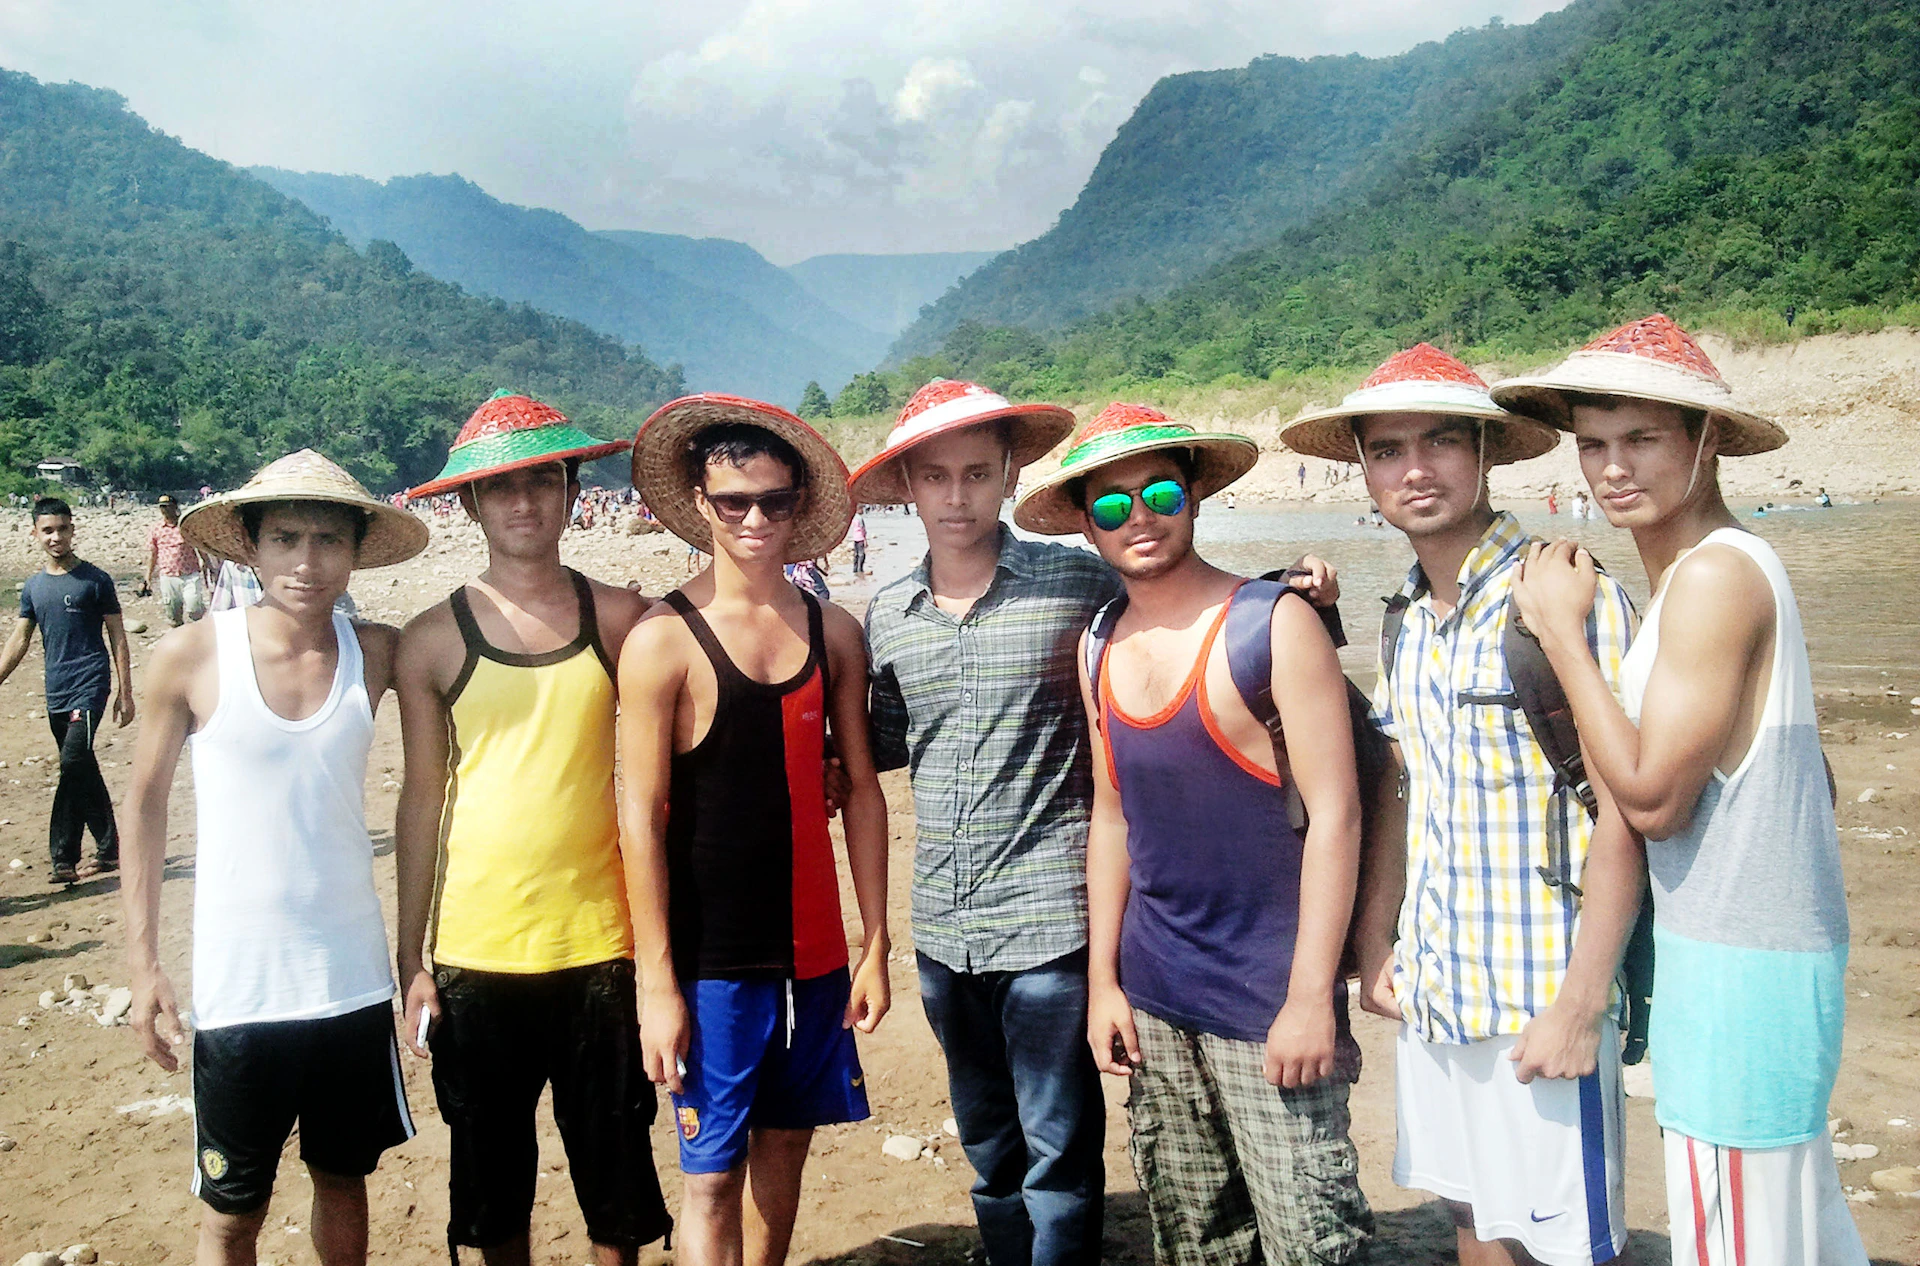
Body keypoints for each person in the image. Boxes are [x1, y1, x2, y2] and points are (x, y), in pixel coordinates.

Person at [1499, 315, 1868, 1266]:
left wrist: (1564, 634)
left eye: (1643, 440)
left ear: (1707, 442)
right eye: (1593, 445)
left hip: (1744, 976)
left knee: (1744, 1240)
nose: (1612, 469)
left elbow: (1654, 802)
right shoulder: (1711, 580)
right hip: (1754, 963)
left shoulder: (1712, 581)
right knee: (1787, 1235)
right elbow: (1807, 783)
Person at [1282, 344, 1643, 1266]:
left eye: (1441, 441)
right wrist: (1377, 946)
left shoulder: (1563, 595)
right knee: (1472, 1224)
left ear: (1486, 455)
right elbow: (1403, 794)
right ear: (1363, 469)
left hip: (1540, 993)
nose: (1416, 468)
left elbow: (1629, 809)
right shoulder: (1405, 616)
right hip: (1441, 987)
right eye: (1388, 448)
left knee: (1564, 1246)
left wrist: (1583, 1000)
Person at [1014, 403, 1372, 1266]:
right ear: (1090, 529)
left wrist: (1308, 999)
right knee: (1198, 1238)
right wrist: (1104, 983)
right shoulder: (1098, 641)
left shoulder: (1271, 624)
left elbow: (1338, 817)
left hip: (1269, 1003)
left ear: (1196, 495)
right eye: (1111, 506)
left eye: (1160, 491)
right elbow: (1111, 816)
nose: (1138, 517)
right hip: (1157, 998)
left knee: (1312, 1238)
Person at [119, 450, 429, 1266]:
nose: (306, 561)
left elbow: (475, 662)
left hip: (351, 982)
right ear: (248, 547)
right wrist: (143, 965)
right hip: (239, 989)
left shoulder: (380, 653)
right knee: (231, 1211)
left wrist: (413, 959)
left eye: (328, 540)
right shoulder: (190, 655)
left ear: (356, 551)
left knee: (342, 1182)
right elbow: (144, 809)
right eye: (285, 537)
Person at [392, 392, 671, 1265]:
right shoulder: (430, 640)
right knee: (490, 1193)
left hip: (600, 945)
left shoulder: (621, 619)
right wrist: (411, 958)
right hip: (477, 952)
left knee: (616, 1190)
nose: (524, 503)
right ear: (469, 504)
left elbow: (683, 748)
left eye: (543, 481)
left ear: (573, 490)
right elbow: (420, 801)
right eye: (502, 487)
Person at [621, 395, 891, 1266]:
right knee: (709, 1172)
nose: (754, 520)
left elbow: (864, 794)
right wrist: (656, 983)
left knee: (787, 1140)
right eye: (733, 501)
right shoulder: (663, 639)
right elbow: (641, 819)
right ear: (700, 503)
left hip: (814, 949)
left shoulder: (832, 630)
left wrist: (876, 942)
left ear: (798, 503)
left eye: (773, 501)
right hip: (712, 959)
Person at [851, 380, 1110, 1266]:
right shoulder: (889, 614)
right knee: (990, 1146)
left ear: (1008, 474)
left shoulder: (1078, 582)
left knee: (1059, 1149)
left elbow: (1175, 617)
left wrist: (1292, 595)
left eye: (974, 474)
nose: (955, 497)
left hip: (1050, 924)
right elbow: (878, 750)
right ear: (910, 489)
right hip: (943, 935)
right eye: (935, 478)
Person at [0, 497, 134, 884]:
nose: (56, 536)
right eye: (48, 530)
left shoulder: (96, 580)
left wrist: (125, 693)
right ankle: (109, 850)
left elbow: (118, 637)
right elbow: (19, 640)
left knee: (73, 761)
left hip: (90, 685)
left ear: (73, 530)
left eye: (62, 528)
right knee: (81, 766)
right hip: (56, 690)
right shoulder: (33, 587)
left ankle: (63, 855)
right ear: (35, 534)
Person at [145, 493, 210, 626]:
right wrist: (148, 577)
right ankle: (180, 640)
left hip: (190, 574)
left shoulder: (185, 525)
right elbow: (153, 554)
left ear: (174, 507)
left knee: (194, 608)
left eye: (167, 507)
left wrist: (207, 564)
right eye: (162, 507)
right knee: (173, 614)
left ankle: (200, 632)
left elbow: (199, 546)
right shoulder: (156, 529)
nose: (164, 510)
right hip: (168, 575)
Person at [849, 507, 869, 576]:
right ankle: (860, 569)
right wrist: (865, 539)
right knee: (861, 554)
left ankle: (854, 569)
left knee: (856, 554)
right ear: (859, 509)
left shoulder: (853, 518)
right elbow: (862, 529)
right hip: (860, 538)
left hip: (855, 537)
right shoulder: (860, 518)